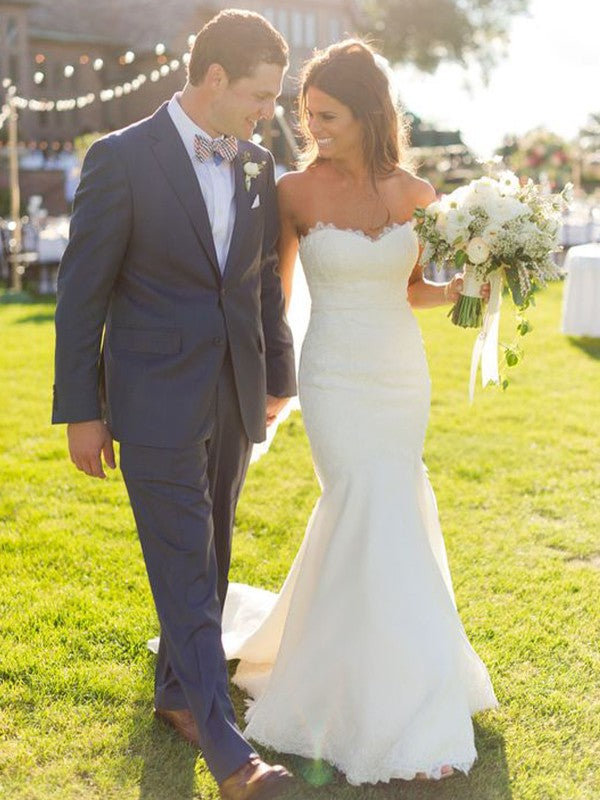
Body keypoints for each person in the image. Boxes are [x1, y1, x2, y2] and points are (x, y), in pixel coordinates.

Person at [221, 40, 498, 785]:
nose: (316, 130)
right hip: (334, 376)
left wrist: (475, 285)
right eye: (308, 116)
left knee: (394, 507)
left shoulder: (416, 193)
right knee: (360, 501)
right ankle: (349, 689)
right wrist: (271, 381)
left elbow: (417, 290)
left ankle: (406, 686)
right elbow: (274, 299)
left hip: (398, 374)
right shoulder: (294, 193)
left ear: (370, 112)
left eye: (329, 116)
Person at [52, 10, 297, 800]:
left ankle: (173, 695)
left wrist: (275, 383)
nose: (270, 110)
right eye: (260, 94)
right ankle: (233, 758)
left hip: (234, 391)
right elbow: (81, 294)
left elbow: (261, 281)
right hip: (150, 396)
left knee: (214, 552)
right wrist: (81, 410)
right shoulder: (120, 159)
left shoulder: (258, 161)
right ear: (214, 78)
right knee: (184, 563)